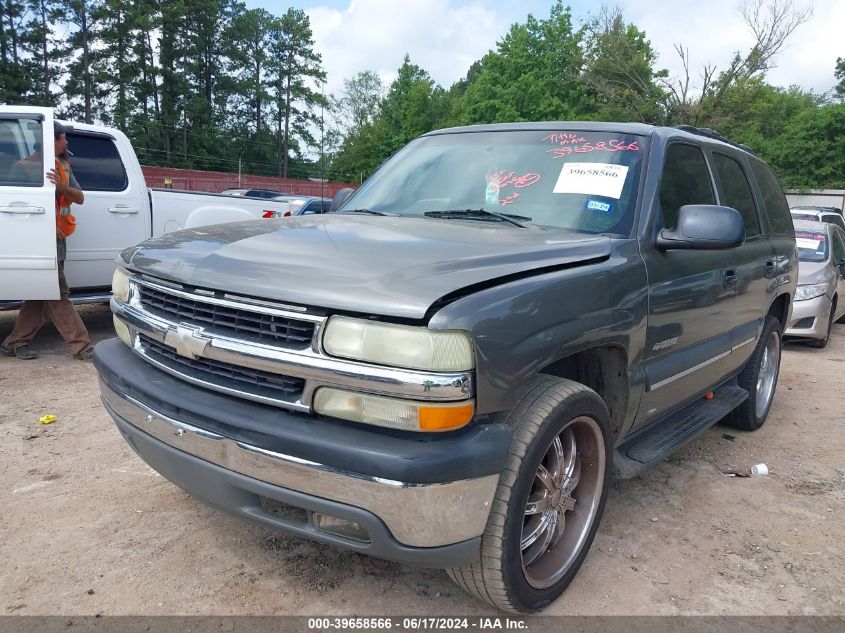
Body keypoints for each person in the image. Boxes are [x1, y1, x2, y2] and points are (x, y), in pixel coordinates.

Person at [1, 122, 93, 361]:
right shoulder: (24, 168)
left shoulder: (62, 166)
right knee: (57, 293)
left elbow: (79, 197)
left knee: (39, 294)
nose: (67, 142)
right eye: (63, 138)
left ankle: (15, 342)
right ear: (50, 141)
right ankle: (81, 346)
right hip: (38, 240)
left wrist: (61, 186)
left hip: (57, 238)